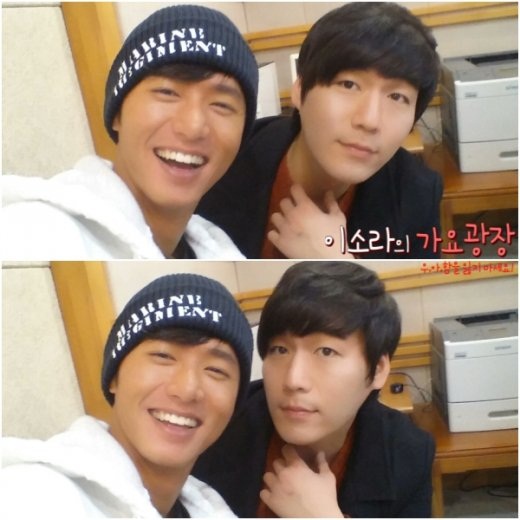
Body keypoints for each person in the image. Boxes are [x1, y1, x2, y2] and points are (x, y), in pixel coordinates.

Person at [2, 4, 258, 260]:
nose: (192, 127)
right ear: (117, 114)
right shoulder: (32, 235)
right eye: (167, 92)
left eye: (222, 105)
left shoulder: (217, 248)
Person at [197, 2, 443, 259]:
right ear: (299, 90)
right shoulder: (224, 164)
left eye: (397, 97)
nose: (370, 120)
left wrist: (337, 261)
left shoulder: (416, 195)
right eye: (348, 85)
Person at [193, 261, 435, 517]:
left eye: (326, 351)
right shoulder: (218, 430)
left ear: (377, 370)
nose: (293, 380)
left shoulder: (408, 454)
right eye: (280, 350)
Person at [1, 273, 254, 517]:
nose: (187, 389)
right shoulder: (33, 497)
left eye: (216, 370)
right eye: (163, 356)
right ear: (114, 377)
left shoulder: (206, 506)